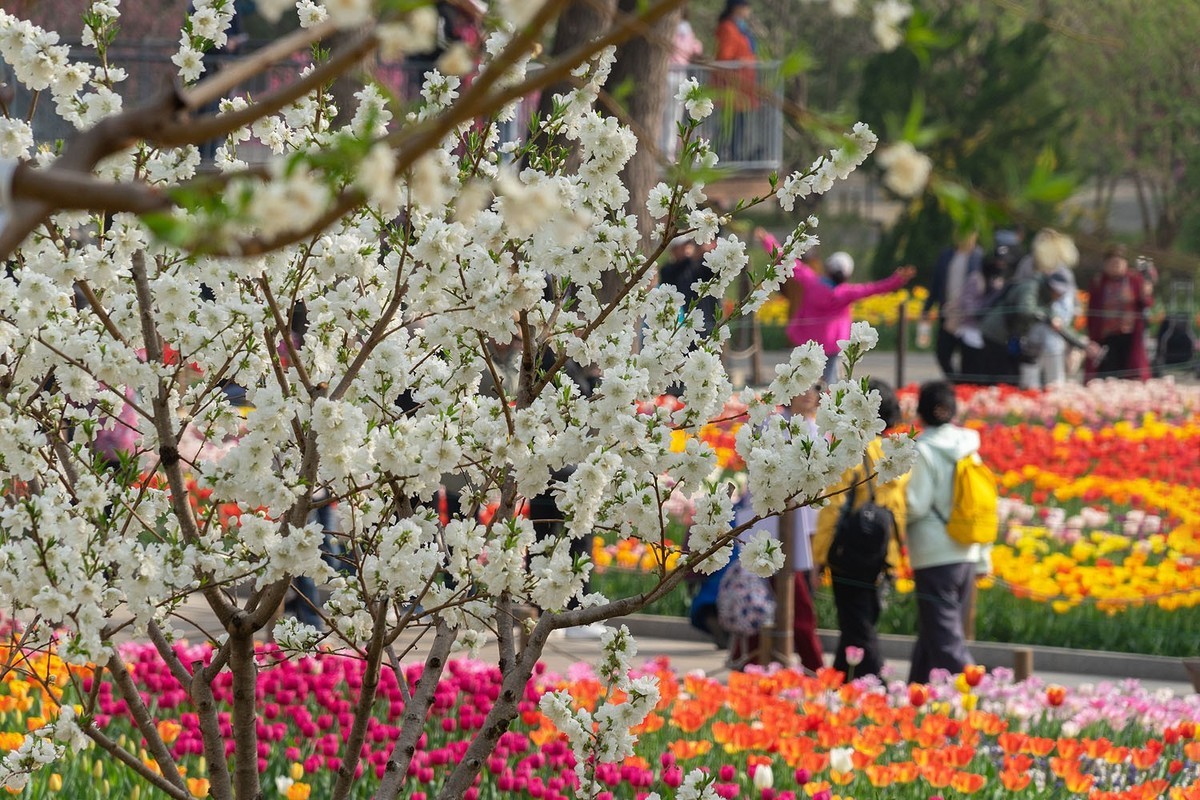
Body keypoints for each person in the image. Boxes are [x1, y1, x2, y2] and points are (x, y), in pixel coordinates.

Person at [814, 379, 908, 681]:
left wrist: (819, 556)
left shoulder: (851, 451)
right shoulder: (894, 453)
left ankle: (873, 684)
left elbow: (833, 506)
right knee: (860, 619)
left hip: (849, 552)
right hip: (882, 552)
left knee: (857, 623)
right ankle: (841, 678)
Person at [758, 229, 916, 384]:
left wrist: (767, 239)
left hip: (805, 341)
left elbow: (786, 259)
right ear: (847, 275)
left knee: (801, 381)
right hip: (832, 344)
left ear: (827, 268)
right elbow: (875, 288)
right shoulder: (846, 293)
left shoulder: (810, 281)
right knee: (829, 383)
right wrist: (897, 280)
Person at [905, 381, 979, 683]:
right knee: (934, 631)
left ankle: (983, 694)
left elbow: (916, 505)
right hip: (967, 550)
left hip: (935, 554)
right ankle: (915, 693)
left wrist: (891, 502)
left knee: (945, 639)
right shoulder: (970, 447)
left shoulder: (923, 449)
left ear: (921, 412)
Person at [1086, 244, 1155, 382]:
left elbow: (1146, 302)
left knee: (1130, 372)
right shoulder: (1099, 282)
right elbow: (1092, 311)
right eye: (1112, 263)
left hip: (1129, 335)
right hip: (1107, 336)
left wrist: (1146, 289)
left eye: (1119, 263)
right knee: (1107, 374)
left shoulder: (1134, 280)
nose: (1115, 266)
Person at [923, 230, 985, 381]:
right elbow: (936, 283)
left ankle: (965, 387)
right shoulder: (947, 255)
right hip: (948, 313)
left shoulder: (979, 256)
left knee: (968, 357)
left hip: (968, 317)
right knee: (942, 353)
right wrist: (927, 307)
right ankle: (955, 383)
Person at [713, 0, 758, 162]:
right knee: (728, 127)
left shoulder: (741, 28)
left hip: (743, 87)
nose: (748, 10)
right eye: (746, 6)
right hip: (731, 88)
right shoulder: (728, 28)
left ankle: (735, 158)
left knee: (738, 126)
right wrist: (743, 61)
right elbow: (724, 56)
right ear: (736, 8)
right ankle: (720, 158)